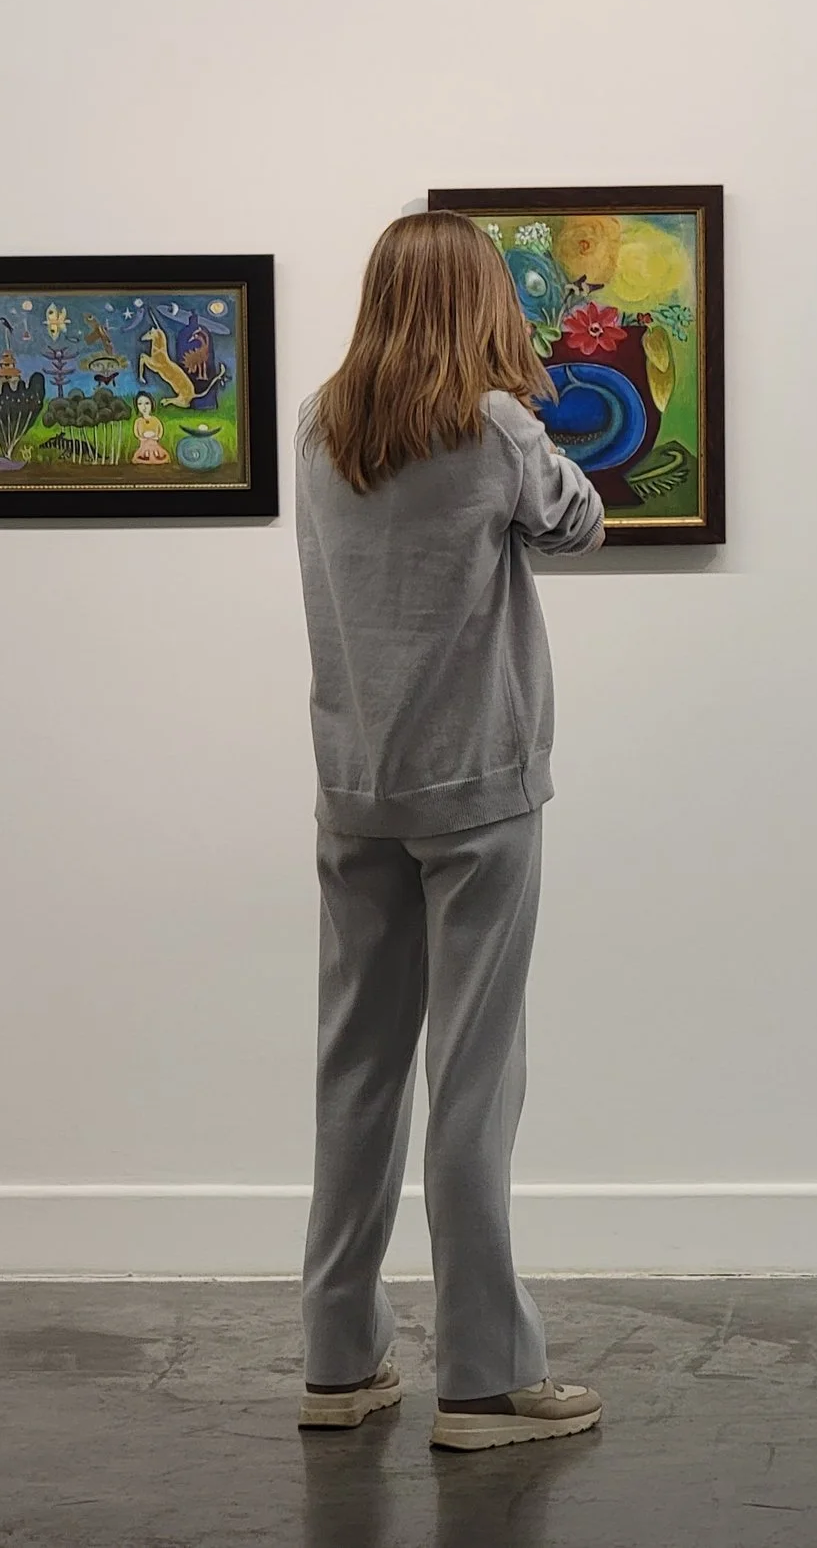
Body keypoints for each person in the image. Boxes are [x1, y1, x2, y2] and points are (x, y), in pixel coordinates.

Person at [292, 209, 606, 1451]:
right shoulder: (492, 425)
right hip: (477, 789)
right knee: (473, 1081)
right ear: (484, 299)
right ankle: (482, 1380)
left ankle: (337, 1362)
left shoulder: (320, 424)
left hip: (354, 787)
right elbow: (578, 524)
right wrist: (521, 401)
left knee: (354, 1072)